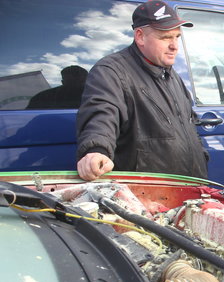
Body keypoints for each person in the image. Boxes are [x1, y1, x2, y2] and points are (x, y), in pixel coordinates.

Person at [76, 1, 208, 181]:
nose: (175, 46)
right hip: (147, 193)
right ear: (140, 36)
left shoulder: (171, 75)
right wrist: (96, 150)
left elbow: (187, 124)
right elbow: (102, 112)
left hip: (188, 186)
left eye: (177, 37)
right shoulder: (111, 71)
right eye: (165, 37)